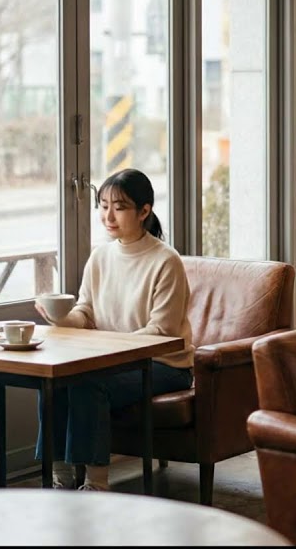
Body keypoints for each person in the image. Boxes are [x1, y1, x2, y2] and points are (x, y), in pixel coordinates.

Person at [35, 168, 194, 491]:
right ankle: (60, 478)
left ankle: (96, 484)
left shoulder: (166, 261)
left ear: (144, 211)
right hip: (112, 361)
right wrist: (60, 320)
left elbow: (162, 332)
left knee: (88, 384)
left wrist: (105, 349)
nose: (108, 215)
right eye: (103, 205)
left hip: (164, 365)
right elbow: (86, 312)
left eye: (119, 207)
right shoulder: (100, 256)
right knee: (52, 381)